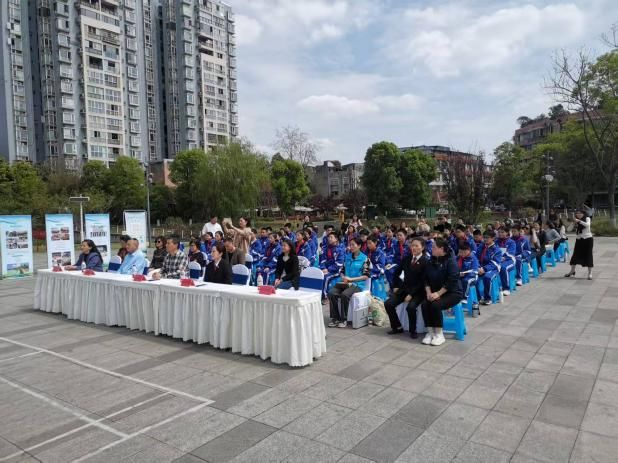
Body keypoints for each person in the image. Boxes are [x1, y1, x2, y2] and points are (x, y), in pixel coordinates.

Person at [421, 237, 463, 346]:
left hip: (452, 292)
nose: (432, 249)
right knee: (425, 304)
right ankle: (430, 332)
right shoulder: (431, 261)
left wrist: (438, 294)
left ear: (442, 249)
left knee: (435, 305)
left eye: (434, 247)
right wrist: (428, 292)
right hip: (435, 292)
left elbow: (452, 281)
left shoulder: (451, 261)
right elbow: (425, 279)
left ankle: (439, 334)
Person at [384, 237, 428, 338]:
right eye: (412, 245)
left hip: (418, 291)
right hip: (405, 288)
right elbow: (396, 273)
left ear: (422, 247)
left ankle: (413, 330)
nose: (413, 248)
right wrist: (395, 286)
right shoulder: (407, 259)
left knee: (411, 307)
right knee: (388, 304)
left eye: (416, 246)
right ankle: (397, 327)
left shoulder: (425, 262)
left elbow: (423, 281)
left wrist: (411, 294)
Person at [327, 238, 370, 328]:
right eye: (350, 245)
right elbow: (342, 271)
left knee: (345, 294)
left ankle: (344, 319)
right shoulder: (347, 257)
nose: (351, 247)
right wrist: (343, 277)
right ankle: (336, 318)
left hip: (357, 284)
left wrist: (351, 279)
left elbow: (366, 276)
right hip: (345, 283)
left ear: (359, 246)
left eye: (353, 245)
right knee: (331, 293)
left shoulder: (365, 259)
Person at [476, 230, 503, 305]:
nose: (485, 239)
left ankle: (487, 298)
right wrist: (478, 267)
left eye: (487, 238)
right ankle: (478, 298)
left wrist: (484, 269)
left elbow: (494, 263)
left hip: (493, 268)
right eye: (484, 237)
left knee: (487, 277)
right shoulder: (481, 247)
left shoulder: (496, 250)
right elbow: (476, 258)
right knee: (472, 278)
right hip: (480, 267)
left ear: (493, 238)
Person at [565, 209, 593, 279]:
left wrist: (579, 221)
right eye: (577, 213)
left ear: (583, 213)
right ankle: (572, 271)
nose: (578, 214)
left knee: (588, 255)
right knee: (575, 255)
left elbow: (587, 225)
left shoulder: (587, 218)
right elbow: (568, 230)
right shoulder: (576, 220)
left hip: (588, 239)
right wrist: (573, 223)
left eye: (580, 213)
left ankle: (590, 273)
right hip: (579, 240)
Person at [319, 232, 346, 301]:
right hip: (325, 269)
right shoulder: (325, 248)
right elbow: (322, 260)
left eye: (331, 237)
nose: (329, 239)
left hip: (336, 270)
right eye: (328, 237)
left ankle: (324, 296)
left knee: (326, 277)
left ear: (336, 239)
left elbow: (339, 264)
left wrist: (328, 269)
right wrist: (323, 268)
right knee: (317, 274)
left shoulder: (340, 250)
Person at [457, 242, 479, 316]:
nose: (461, 254)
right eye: (460, 252)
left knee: (466, 281)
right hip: (461, 276)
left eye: (463, 252)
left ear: (468, 250)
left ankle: (464, 297)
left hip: (472, 277)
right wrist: (459, 273)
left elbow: (475, 270)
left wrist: (466, 273)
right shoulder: (459, 258)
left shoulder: (473, 258)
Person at [496, 227, 516, 296]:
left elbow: (511, 253)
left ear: (507, 233)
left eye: (502, 232)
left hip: (509, 260)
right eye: (499, 232)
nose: (500, 234)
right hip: (498, 260)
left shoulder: (511, 242)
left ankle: (506, 288)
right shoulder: (496, 241)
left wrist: (504, 257)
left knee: (503, 268)